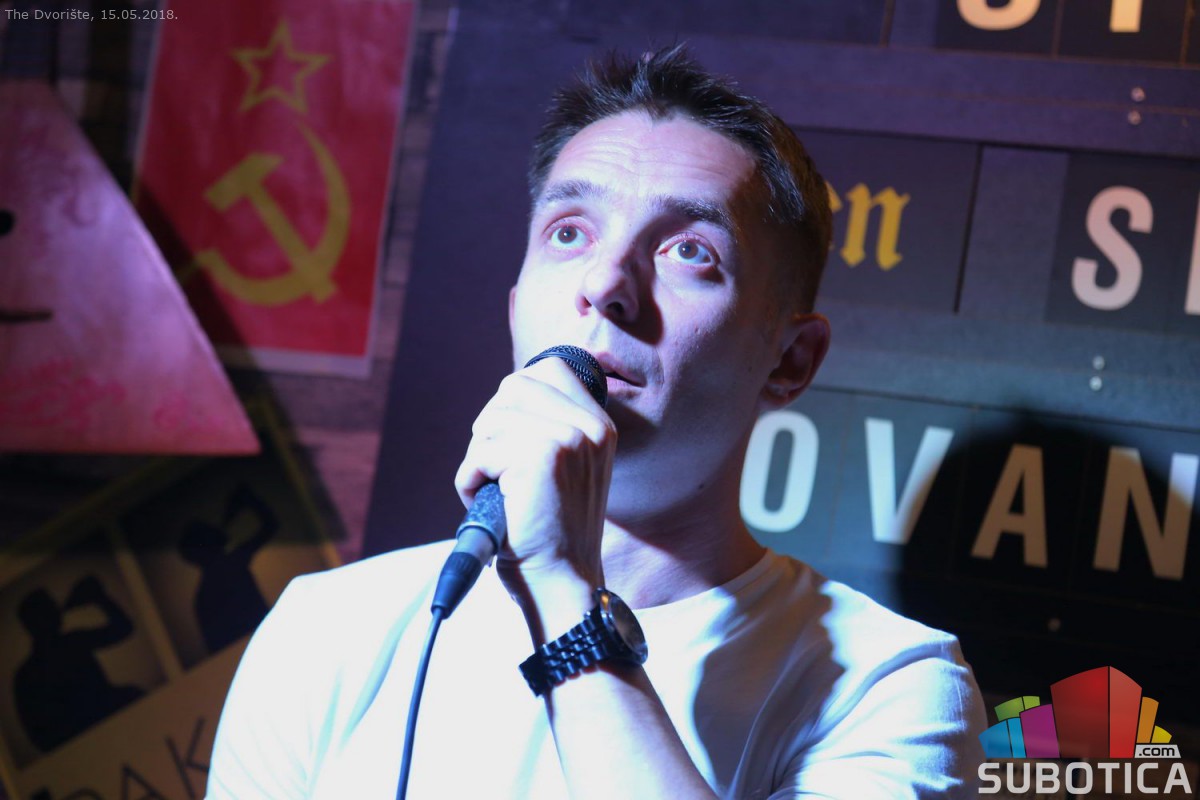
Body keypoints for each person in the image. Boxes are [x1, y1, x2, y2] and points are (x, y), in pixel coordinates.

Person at [207, 45, 986, 799]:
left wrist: (564, 592)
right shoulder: (328, 628)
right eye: (570, 232)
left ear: (790, 360)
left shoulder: (894, 687)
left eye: (689, 250)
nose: (606, 281)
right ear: (518, 309)